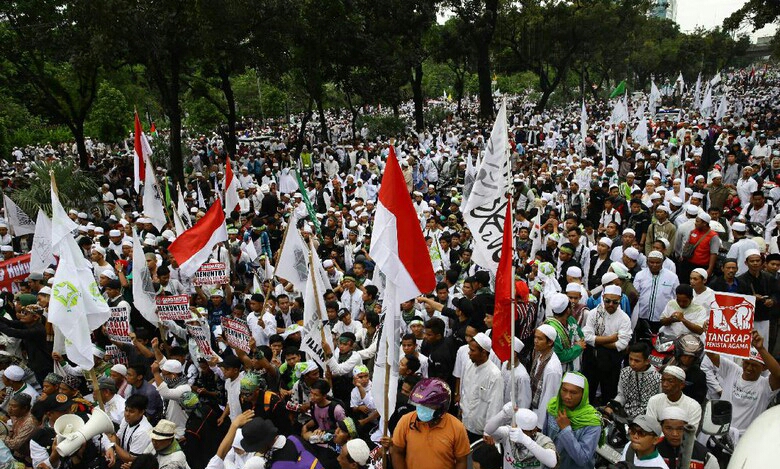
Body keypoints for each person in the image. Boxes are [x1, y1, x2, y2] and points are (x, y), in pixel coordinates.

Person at [704, 331, 780, 441]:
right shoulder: (733, 370)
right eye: (746, 363)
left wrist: (761, 349)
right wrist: (710, 334)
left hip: (743, 440)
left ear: (764, 368)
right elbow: (710, 353)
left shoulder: (766, 386)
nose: (749, 368)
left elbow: (778, 374)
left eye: (754, 365)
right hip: (718, 434)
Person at [391, 378, 470, 469]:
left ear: (441, 407)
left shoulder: (457, 428)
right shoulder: (406, 421)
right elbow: (397, 452)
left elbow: (461, 461)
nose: (421, 408)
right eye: (420, 404)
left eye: (428, 405)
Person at [581, 285, 632, 405]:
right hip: (592, 358)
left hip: (611, 359)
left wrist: (598, 341)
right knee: (588, 391)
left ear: (620, 300)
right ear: (603, 297)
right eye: (607, 301)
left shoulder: (624, 319)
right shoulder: (594, 314)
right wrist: (610, 339)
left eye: (615, 302)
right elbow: (587, 337)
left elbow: (622, 344)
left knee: (609, 393)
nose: (610, 305)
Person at [543, 372, 602, 469]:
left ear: (583, 395)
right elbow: (544, 439)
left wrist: (566, 430)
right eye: (564, 390)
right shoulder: (553, 407)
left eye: (573, 392)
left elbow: (582, 459)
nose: (567, 396)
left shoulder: (592, 422)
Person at [484, 407, 558, 469]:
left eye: (522, 431)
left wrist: (524, 439)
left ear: (534, 430)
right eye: (516, 428)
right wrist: (503, 413)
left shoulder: (543, 441)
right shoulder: (509, 433)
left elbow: (552, 462)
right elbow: (488, 430)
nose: (516, 432)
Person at [608, 342, 661, 419]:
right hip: (625, 415)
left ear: (647, 361)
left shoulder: (657, 378)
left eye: (637, 361)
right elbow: (621, 396)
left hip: (647, 418)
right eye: (630, 359)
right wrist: (611, 406)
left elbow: (659, 404)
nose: (632, 363)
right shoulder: (625, 372)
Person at [103, 394, 153, 466]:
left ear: (141, 412)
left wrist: (112, 444)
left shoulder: (143, 431)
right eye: (126, 410)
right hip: (122, 460)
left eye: (131, 411)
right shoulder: (127, 420)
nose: (127, 414)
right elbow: (118, 440)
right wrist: (110, 435)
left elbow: (131, 459)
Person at [530, 325, 563, 428]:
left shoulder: (552, 368)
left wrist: (539, 425)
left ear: (550, 342)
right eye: (535, 337)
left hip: (540, 416)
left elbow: (549, 398)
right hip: (533, 410)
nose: (535, 341)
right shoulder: (539, 355)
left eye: (540, 339)